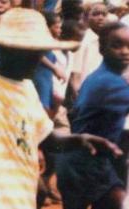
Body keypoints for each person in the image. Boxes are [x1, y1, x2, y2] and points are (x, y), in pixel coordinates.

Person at [0, 2, 123, 209]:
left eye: (39, 53)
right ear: (6, 49)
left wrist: (79, 140)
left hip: (22, 197)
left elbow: (48, 139)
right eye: (30, 53)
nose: (37, 60)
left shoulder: (27, 89)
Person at [57, 22, 129, 209]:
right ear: (102, 48)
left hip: (79, 161)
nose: (125, 52)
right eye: (117, 45)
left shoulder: (100, 76)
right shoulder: (110, 83)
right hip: (84, 164)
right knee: (119, 202)